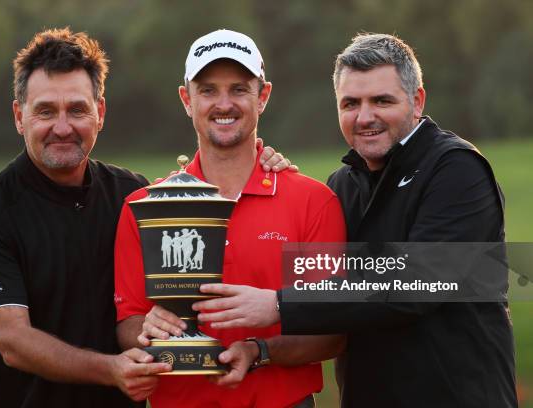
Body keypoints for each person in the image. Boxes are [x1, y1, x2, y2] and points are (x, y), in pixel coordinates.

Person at [0, 28, 291, 408]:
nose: (63, 127)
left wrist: (258, 162)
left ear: (100, 112)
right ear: (18, 117)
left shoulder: (133, 195)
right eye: (45, 111)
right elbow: (13, 343)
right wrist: (111, 369)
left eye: (77, 109)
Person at [193, 33, 517, 408]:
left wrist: (280, 304)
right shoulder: (342, 185)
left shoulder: (456, 169)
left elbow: (416, 283)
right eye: (351, 103)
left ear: (417, 101)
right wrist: (265, 171)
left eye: (381, 100)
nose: (365, 117)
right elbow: (328, 283)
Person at [114, 29, 347, 408]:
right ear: (186, 99)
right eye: (208, 90)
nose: (224, 104)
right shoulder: (144, 207)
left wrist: (260, 350)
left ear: (263, 96)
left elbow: (333, 333)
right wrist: (148, 328)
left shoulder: (314, 202)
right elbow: (127, 322)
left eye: (239, 89)